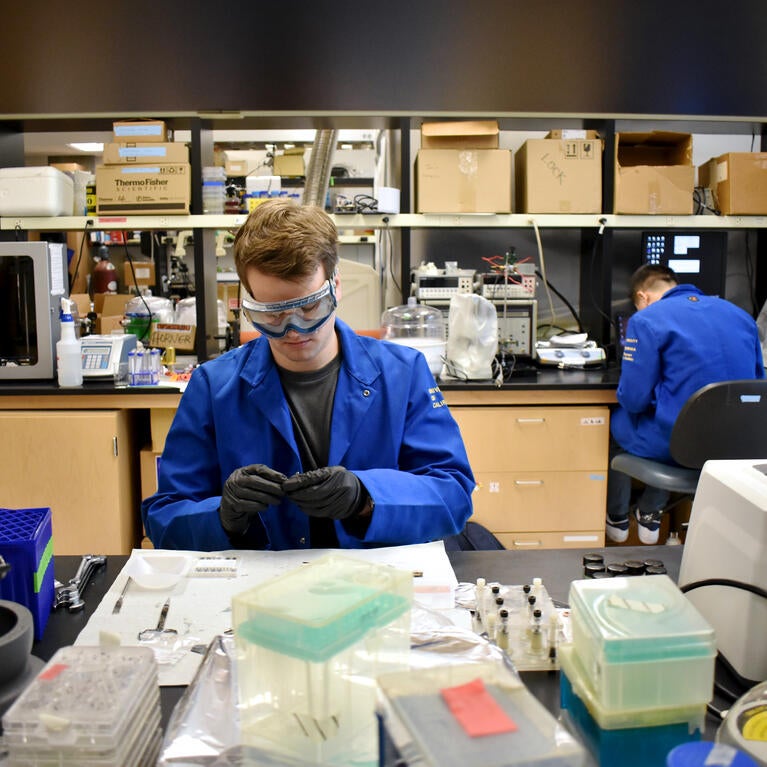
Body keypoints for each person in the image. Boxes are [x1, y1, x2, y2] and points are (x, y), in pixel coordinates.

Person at [141, 198, 475, 551]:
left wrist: (366, 498)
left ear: (336, 286)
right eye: (271, 313)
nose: (293, 330)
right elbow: (165, 518)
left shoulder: (403, 373)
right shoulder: (213, 387)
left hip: (377, 588)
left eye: (310, 306)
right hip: (259, 590)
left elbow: (453, 496)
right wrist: (222, 516)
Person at [606, 264, 765, 544]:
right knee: (681, 421)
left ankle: (618, 520)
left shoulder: (647, 320)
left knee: (617, 422)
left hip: (680, 444)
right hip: (740, 445)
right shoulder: (741, 317)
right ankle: (650, 514)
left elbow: (633, 399)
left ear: (642, 298)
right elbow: (757, 381)